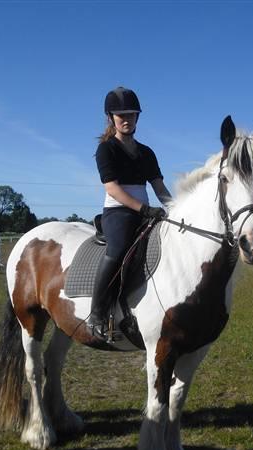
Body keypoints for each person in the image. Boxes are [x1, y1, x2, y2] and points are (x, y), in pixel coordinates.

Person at [87, 87, 172, 340]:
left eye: (131, 115)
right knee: (119, 250)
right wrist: (143, 208)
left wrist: (177, 211)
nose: (126, 119)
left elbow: (159, 187)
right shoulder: (106, 149)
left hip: (147, 212)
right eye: (120, 115)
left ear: (137, 117)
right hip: (118, 212)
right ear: (110, 117)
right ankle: (98, 314)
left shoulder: (146, 152)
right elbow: (112, 189)